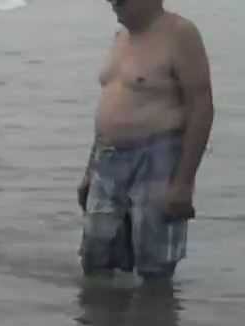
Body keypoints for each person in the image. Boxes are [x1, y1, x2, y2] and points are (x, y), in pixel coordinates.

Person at [77, 0, 213, 283]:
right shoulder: (120, 37)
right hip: (107, 159)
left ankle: (153, 325)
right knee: (96, 261)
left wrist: (184, 183)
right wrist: (89, 170)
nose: (112, 3)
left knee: (155, 269)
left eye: (121, 0)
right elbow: (109, 107)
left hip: (158, 159)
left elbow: (201, 107)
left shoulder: (180, 34)